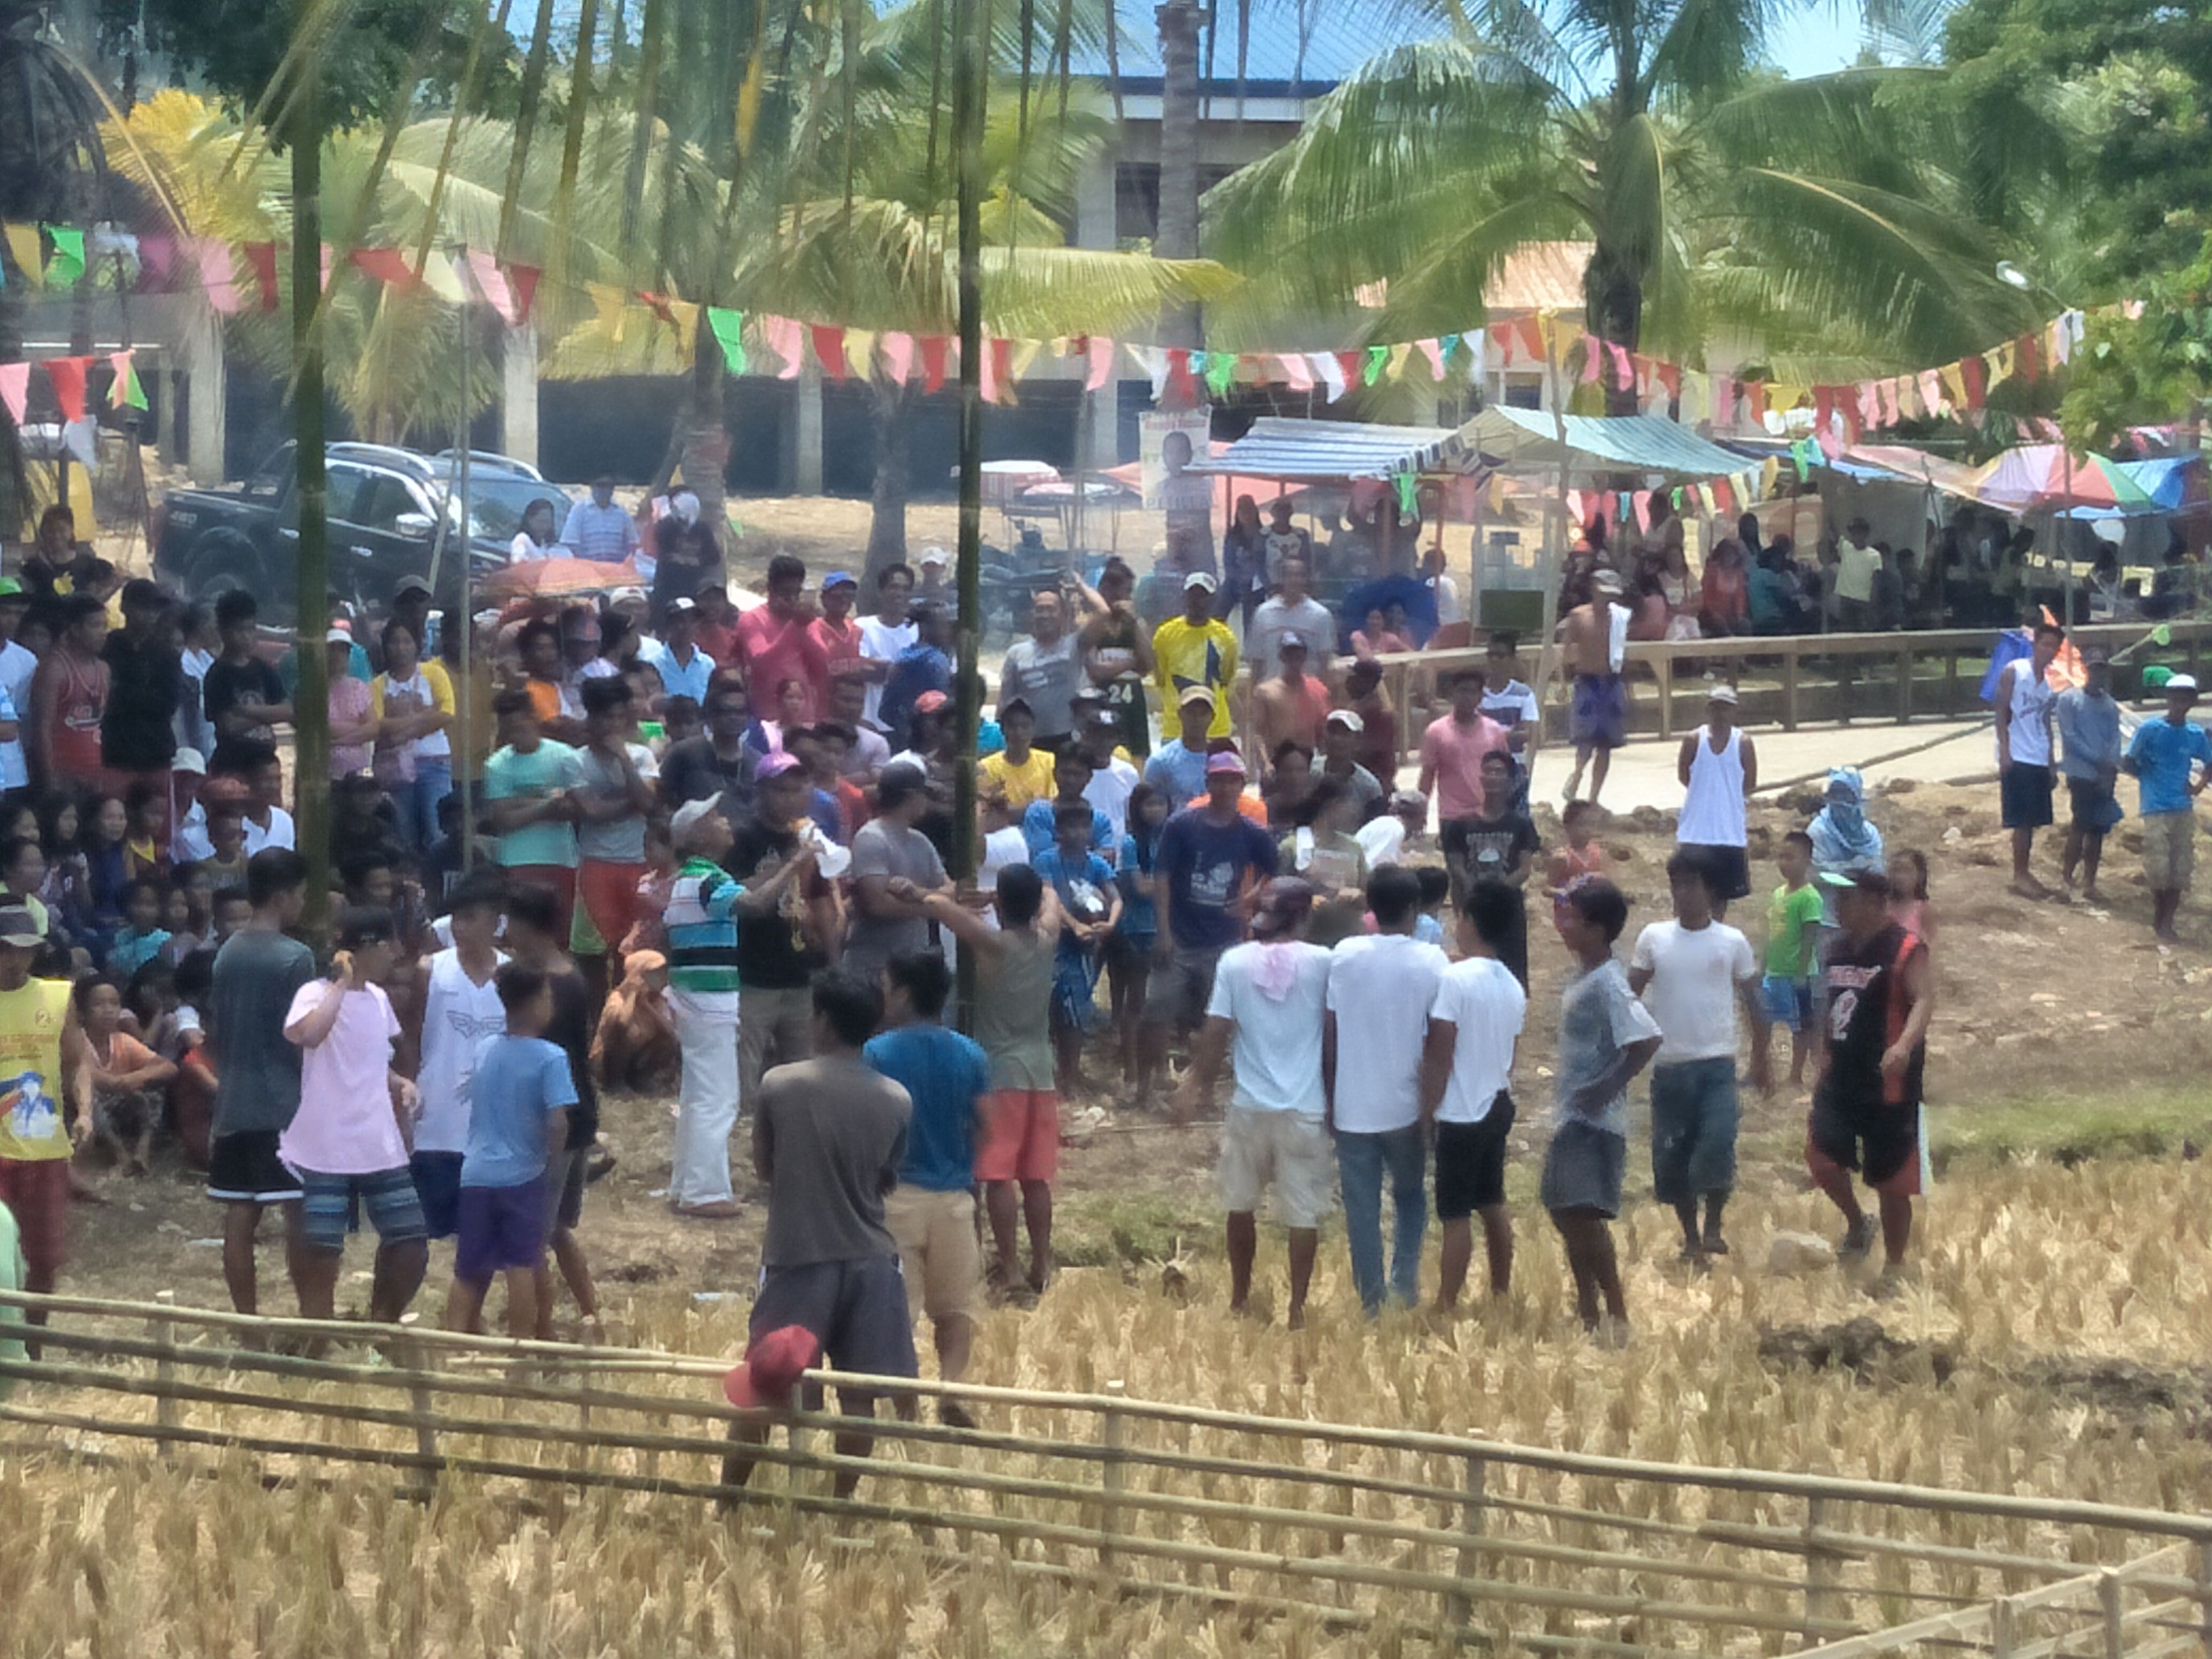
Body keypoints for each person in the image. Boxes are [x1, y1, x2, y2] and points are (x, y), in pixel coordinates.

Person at [722, 971, 917, 1500]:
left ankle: (730, 1499)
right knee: (859, 1397)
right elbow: (886, 1179)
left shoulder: (780, 1085)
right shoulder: (897, 1099)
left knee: (767, 1382)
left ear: (823, 1021)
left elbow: (764, 1168)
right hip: (872, 1261)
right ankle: (838, 1503)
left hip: (799, 1254)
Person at [1174, 879, 1333, 1328]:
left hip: (1249, 1104)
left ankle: (1241, 1298)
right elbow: (1334, 1030)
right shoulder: (1323, 963)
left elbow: (1216, 1031)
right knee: (1304, 1213)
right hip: (1306, 1105)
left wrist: (1196, 1087)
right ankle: (1297, 1308)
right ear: (1303, 917)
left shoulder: (1234, 962)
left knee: (1240, 1205)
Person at [280, 908, 426, 1328]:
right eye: (387, 945)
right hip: (326, 1144)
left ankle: (381, 1322)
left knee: (411, 1241)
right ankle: (318, 1333)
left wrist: (397, 1082)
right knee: (322, 1251)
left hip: (377, 1140)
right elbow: (307, 1035)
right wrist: (342, 984)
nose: (395, 953)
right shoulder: (315, 993)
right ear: (363, 949)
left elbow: (369, 1059)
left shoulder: (379, 1000)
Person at [923, 867, 1064, 1302]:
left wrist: (957, 892)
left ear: (1001, 904)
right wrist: (998, 898)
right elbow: (1051, 893)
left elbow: (935, 906)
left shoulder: (993, 945)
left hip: (999, 1072)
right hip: (1040, 1071)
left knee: (998, 1178)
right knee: (1036, 1178)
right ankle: (1042, 1263)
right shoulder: (1046, 940)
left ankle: (1012, 1269)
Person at [865, 950, 990, 1425]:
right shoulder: (970, 1053)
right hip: (955, 1197)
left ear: (903, 993)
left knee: (901, 1313)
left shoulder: (877, 1053)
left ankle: (905, 1407)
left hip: (895, 1195)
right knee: (956, 1309)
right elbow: (986, 1127)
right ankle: (952, 1388)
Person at [1629, 850, 1768, 1266]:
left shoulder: (1731, 942)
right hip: (1670, 1066)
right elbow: (1627, 995)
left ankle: (1714, 1225)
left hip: (1717, 1063)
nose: (1683, 893)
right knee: (1674, 1159)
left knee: (1717, 1143)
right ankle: (1691, 1237)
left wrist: (1762, 1059)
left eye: (1691, 884)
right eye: (1677, 884)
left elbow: (1754, 1002)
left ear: (1711, 892)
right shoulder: (1653, 938)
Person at [664, 799, 798, 1219]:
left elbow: (747, 892)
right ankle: (704, 1190)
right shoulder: (708, 879)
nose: (726, 823)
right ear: (696, 836)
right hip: (711, 998)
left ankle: (688, 1182)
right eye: (715, 819)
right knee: (717, 1096)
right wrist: (796, 864)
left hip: (692, 995)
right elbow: (756, 905)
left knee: (697, 1090)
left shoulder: (691, 879)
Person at [1325, 866, 1446, 1316]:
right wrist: (1432, 1106)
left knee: (1361, 1208)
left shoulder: (1345, 955)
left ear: (1370, 907)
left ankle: (1371, 1298)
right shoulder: (1431, 960)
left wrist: (1329, 1095)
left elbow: (1330, 1032)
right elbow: (1439, 1038)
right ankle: (1405, 1282)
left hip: (1353, 1103)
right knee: (1411, 1196)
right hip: (1407, 1105)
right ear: (1414, 910)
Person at [1545, 876, 1661, 1343]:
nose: (1564, 926)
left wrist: (1609, 1084)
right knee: (1566, 1212)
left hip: (1594, 1121)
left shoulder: (1610, 983)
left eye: (1572, 917)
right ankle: (1590, 1309)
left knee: (1582, 1216)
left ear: (1597, 929)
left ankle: (1614, 1312)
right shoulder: (1583, 977)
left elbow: (1647, 1038)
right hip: (1572, 1113)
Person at [203, 849, 317, 1316]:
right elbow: (300, 1038)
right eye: (302, 895)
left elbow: (216, 1030)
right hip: (283, 1103)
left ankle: (248, 1324)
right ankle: (313, 1319)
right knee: (300, 1216)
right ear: (284, 894)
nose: (304, 904)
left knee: (239, 1213)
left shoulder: (226, 952)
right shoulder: (296, 958)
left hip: (232, 1099)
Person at [1807, 870, 1932, 1285]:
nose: (1838, 908)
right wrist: (1821, 1050)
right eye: (1837, 899)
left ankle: (1896, 1266)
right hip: (1841, 1075)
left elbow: (1923, 1000)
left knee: (1892, 1180)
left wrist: (1903, 1047)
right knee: (1821, 1157)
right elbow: (1831, 1004)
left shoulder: (1905, 948)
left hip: (1888, 1081)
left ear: (1876, 902)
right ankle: (1859, 1223)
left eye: (1847, 899)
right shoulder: (1837, 949)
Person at [441, 962, 574, 1338]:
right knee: (522, 1265)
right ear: (534, 1004)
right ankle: (518, 1352)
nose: (551, 1005)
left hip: (476, 1174)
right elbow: (558, 1121)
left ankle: (452, 1347)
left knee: (469, 1268)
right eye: (548, 997)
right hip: (522, 1175)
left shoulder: (485, 1048)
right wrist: (551, 1157)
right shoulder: (551, 1057)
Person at [1419, 880, 1528, 1311]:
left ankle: (1447, 1301)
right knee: (1492, 1202)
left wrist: (1427, 1111)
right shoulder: (1512, 984)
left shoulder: (1455, 981)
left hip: (1461, 1110)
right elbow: (1513, 1053)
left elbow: (1440, 1053)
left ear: (1469, 921)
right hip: (1497, 1099)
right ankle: (1501, 1289)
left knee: (1455, 1213)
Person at [1141, 751, 1279, 1089]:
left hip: (1224, 937)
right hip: (1180, 934)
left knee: (1217, 1015)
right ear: (1208, 783)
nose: (1225, 786)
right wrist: (1163, 932)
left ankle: (1203, 1083)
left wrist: (1251, 898)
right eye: (1218, 779)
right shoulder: (1182, 825)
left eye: (1232, 780)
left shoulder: (1251, 832)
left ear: (1241, 786)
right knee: (1156, 1008)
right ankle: (1149, 1080)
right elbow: (1162, 877)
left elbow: (1275, 869)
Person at [729, 751, 838, 1118]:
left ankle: (795, 1135)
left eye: (798, 789)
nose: (790, 797)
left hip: (799, 970)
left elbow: (822, 901)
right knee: (745, 1069)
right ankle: (743, 1141)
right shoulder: (742, 837)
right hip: (753, 972)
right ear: (762, 791)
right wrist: (790, 862)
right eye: (781, 790)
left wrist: (833, 962)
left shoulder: (809, 836)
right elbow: (737, 896)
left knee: (802, 1069)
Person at [405, 875, 505, 1250]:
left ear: (496, 922)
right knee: (431, 1234)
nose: (460, 928)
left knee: (483, 1239)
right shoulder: (430, 971)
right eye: (456, 918)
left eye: (471, 918)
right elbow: (412, 1038)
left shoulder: (512, 976)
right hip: (437, 1121)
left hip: (494, 1125)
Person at [0, 903, 87, 1322]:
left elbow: (77, 1062)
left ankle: (36, 1337)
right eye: (11, 949)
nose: (19, 958)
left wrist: (85, 1110)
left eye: (26, 949)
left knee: (45, 1256)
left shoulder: (58, 997)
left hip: (44, 1143)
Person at [1032, 803, 1121, 1096]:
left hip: (1083, 950)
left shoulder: (1097, 864)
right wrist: (1074, 924)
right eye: (1070, 827)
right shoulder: (1046, 861)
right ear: (1057, 832)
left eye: (1084, 827)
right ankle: (1051, 1076)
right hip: (1052, 947)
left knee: (1076, 1013)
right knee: (1050, 1011)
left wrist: (1110, 923)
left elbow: (1115, 897)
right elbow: (1050, 898)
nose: (1078, 833)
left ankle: (1071, 1074)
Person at [484, 686, 584, 943]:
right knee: (521, 934)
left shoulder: (564, 756)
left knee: (560, 934)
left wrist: (520, 804)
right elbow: (503, 820)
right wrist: (546, 805)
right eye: (509, 729)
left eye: (520, 726)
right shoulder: (496, 765)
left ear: (532, 718)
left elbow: (573, 808)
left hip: (560, 857)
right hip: (517, 860)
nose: (516, 735)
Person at [2121, 672, 2212, 942]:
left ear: (2192, 701)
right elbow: (2129, 760)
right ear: (2168, 699)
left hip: (2182, 807)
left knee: (2180, 868)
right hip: (2156, 807)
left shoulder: (2195, 735)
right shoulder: (2150, 730)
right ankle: (2159, 917)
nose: (2179, 702)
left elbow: (2209, 762)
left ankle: (2167, 921)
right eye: (2175, 697)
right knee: (2159, 867)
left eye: (2185, 698)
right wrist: (2146, 776)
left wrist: (2198, 787)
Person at [842, 762, 951, 984]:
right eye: (923, 794)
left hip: (912, 968)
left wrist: (917, 893)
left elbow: (951, 889)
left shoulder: (920, 840)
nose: (926, 801)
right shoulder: (872, 838)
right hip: (874, 968)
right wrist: (934, 908)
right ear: (911, 796)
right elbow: (877, 905)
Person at [1444, 751, 1539, 984]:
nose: (1493, 777)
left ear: (1510, 779)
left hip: (1508, 910)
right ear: (1481, 777)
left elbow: (1525, 869)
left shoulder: (1521, 824)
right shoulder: (1460, 824)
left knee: (1512, 974)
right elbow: (1456, 867)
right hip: (1472, 909)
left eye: (1500, 772)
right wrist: (1476, 897)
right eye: (1488, 771)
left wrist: (1496, 894)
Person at [1420, 671, 1512, 887]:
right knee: (1460, 877)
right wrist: (1421, 810)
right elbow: (1428, 774)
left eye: (1473, 692)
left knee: (1492, 873)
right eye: (1462, 691)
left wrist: (1508, 810)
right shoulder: (1436, 732)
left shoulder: (1494, 731)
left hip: (1489, 815)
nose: (1467, 697)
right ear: (1451, 694)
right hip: (1453, 817)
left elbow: (1507, 773)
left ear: (1481, 697)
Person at [1995, 620, 2064, 900]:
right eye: (2045, 644)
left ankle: (2026, 870)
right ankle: (2019, 873)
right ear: (2036, 645)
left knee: (2033, 819)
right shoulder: (2015, 671)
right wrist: (2004, 750)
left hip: (2037, 753)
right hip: (2018, 752)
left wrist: (2051, 760)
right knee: (2021, 819)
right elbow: (2001, 712)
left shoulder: (2047, 685)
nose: (2049, 650)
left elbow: (2046, 722)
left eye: (2054, 647)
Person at [1674, 686, 1758, 915]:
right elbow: (1684, 775)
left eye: (1726, 708)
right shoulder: (1693, 740)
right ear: (1708, 709)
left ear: (1735, 711)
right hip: (1695, 832)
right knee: (1688, 892)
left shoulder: (1744, 743)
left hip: (1728, 833)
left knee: (1721, 898)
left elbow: (1750, 783)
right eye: (1716, 707)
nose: (1721, 713)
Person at [100, 577, 180, 801]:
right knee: (113, 822)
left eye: (155, 609)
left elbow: (168, 704)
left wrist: (124, 693)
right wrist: (140, 696)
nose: (151, 615)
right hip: (116, 754)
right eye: (144, 607)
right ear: (125, 608)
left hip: (156, 753)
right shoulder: (107, 647)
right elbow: (106, 701)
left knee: (157, 825)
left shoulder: (167, 653)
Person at [2057, 646, 2124, 903]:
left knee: (2098, 829)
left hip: (2104, 774)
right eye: (2093, 667)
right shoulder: (2069, 700)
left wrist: (2110, 765)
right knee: (2080, 824)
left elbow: (2115, 737)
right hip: (2081, 772)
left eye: (2101, 668)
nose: (2097, 673)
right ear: (2086, 669)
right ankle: (2067, 877)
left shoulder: (2109, 705)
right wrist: (2098, 761)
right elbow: (2070, 737)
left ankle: (2090, 881)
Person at [1763, 831, 1824, 1091]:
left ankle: (1796, 1074)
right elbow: (1772, 932)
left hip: (1797, 975)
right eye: (1781, 857)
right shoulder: (1778, 894)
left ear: (1808, 860)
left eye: (1791, 857)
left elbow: (1810, 937)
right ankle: (1762, 1069)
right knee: (1765, 1020)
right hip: (1774, 971)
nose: (1784, 863)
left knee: (1800, 1027)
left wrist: (1801, 972)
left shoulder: (1810, 898)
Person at [28, 593, 109, 791]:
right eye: (95, 626)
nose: (102, 633)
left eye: (104, 626)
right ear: (75, 629)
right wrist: (51, 779)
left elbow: (100, 725)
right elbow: (41, 727)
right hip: (61, 775)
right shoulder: (55, 668)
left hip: (94, 773)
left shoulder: (104, 668)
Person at [1077, 557, 1154, 760]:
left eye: (1130, 592)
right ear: (1106, 591)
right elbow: (1097, 670)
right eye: (1124, 592)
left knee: (1136, 761)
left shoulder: (1134, 626)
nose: (1128, 598)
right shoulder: (1091, 624)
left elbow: (1148, 665)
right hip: (1101, 708)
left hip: (1132, 709)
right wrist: (1131, 662)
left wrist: (1135, 623)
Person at [1561, 571, 1629, 804]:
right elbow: (1566, 650)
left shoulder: (1619, 618)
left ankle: (1594, 797)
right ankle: (1578, 774)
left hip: (1611, 681)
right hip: (1587, 681)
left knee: (1606, 744)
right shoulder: (1579, 616)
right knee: (1585, 740)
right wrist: (1562, 681)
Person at [737, 555, 828, 721]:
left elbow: (823, 664)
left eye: (796, 593)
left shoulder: (805, 621)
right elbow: (761, 662)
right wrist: (794, 627)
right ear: (770, 589)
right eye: (786, 593)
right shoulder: (752, 619)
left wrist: (803, 627)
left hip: (803, 714)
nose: (792, 599)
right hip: (767, 715)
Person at [659, 676, 757, 830]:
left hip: (746, 849)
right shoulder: (685, 754)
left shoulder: (756, 761)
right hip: (696, 848)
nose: (733, 717)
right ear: (710, 716)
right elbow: (661, 802)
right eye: (726, 711)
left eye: (740, 712)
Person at [1152, 573, 1238, 742]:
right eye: (1193, 595)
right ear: (1184, 597)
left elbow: (1226, 679)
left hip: (1216, 731)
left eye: (1203, 596)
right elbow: (1161, 678)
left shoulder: (1226, 637)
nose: (1197, 601)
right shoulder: (1165, 634)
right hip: (1176, 730)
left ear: (1213, 599)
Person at [1000, 586, 1085, 751]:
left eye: (1051, 609)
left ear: (1063, 614)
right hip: (1030, 741)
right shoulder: (1016, 653)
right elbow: (1005, 701)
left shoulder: (1076, 646)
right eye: (1040, 609)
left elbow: (1103, 616)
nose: (1045, 615)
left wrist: (1080, 587)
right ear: (1032, 614)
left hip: (1069, 739)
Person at [1808, 766, 1885, 933]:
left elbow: (1879, 873)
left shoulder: (1870, 834)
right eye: (1836, 794)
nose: (1841, 800)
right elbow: (1817, 873)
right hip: (1828, 918)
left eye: (1846, 794)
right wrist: (1856, 869)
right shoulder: (1818, 831)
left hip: (1864, 919)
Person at [1247, 556, 1334, 685]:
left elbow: (1325, 662)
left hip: (1307, 694)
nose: (1295, 580)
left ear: (1306, 579)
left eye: (1300, 575)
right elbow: (1257, 663)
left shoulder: (1321, 615)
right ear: (1281, 579)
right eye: (1289, 575)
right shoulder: (1263, 613)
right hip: (1272, 693)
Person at [1252, 632, 1330, 774]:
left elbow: (1324, 730)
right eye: (1289, 653)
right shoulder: (1266, 692)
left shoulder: (1318, 689)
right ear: (1282, 656)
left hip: (1310, 762)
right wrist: (1266, 764)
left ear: (1304, 657)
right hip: (1278, 762)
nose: (1294, 658)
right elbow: (1258, 733)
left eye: (1298, 654)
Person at [878, 603, 952, 752]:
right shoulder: (937, 661)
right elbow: (943, 705)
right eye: (943, 625)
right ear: (925, 628)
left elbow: (885, 711)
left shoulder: (902, 657)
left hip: (901, 736)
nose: (948, 631)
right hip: (929, 742)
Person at [857, 564, 916, 733]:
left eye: (905, 589)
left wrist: (882, 668)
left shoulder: (918, 631)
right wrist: (903, 671)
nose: (899, 593)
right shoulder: (863, 626)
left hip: (905, 725)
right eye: (894, 587)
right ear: (881, 591)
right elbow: (860, 670)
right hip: (867, 723)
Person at [1142, 685, 1216, 806]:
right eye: (1191, 712)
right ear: (1180, 714)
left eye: (1203, 713)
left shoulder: (1221, 759)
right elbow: (1148, 805)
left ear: (1212, 717)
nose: (1197, 719)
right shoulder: (1161, 761)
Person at [979, 698, 1055, 810]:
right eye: (1012, 727)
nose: (1019, 733)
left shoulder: (1049, 761)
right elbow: (991, 810)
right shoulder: (987, 767)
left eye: (1025, 726)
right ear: (1003, 730)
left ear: (1033, 729)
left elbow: (1053, 803)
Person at [1478, 633, 1540, 757]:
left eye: (1501, 656)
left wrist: (1490, 735)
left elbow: (1529, 734)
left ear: (1512, 659)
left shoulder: (1524, 694)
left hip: (1515, 763)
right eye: (1491, 655)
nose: (1494, 660)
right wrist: (1508, 734)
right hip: (1482, 763)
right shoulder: (1477, 693)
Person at [1318, 709, 1384, 818]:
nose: (1337, 739)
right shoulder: (1306, 772)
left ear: (1358, 741)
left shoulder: (1369, 788)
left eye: (1344, 734)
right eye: (1332, 732)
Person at [560, 475, 641, 564]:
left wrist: (623, 564)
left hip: (616, 569)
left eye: (608, 486)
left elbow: (632, 544)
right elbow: (572, 544)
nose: (604, 490)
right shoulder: (579, 510)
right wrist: (589, 566)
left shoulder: (622, 513)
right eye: (600, 485)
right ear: (592, 486)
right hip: (588, 570)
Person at [1833, 517, 1881, 632]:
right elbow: (1836, 533)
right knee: (1846, 634)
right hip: (1846, 600)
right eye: (1853, 533)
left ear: (1866, 534)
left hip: (1864, 602)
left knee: (1864, 634)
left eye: (1859, 532)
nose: (1856, 536)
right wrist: (1830, 517)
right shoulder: (1846, 548)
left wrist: (1873, 604)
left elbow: (1876, 581)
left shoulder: (1874, 555)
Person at [509, 496, 563, 563]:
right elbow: (517, 562)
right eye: (540, 521)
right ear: (529, 520)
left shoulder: (546, 544)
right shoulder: (522, 540)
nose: (544, 526)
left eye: (547, 522)